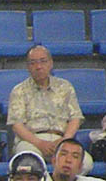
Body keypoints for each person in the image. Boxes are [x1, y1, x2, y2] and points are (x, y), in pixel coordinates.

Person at [7, 45, 93, 173]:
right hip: (32, 140)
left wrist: (65, 140)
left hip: (61, 139)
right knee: (28, 162)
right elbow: (17, 125)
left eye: (43, 61)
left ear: (51, 63)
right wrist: (40, 143)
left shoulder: (65, 87)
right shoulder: (19, 90)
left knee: (86, 163)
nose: (38, 66)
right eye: (33, 63)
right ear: (28, 67)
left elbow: (75, 118)